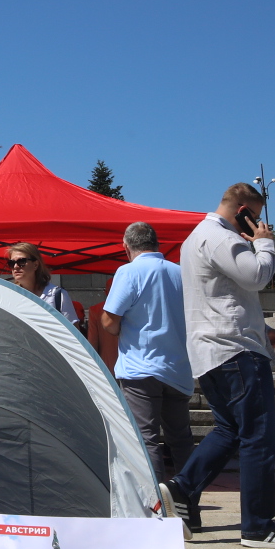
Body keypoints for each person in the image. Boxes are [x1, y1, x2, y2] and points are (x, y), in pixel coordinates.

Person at [162, 184, 275, 549]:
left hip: (211, 351)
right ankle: (257, 526)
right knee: (258, 437)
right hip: (236, 351)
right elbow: (258, 276)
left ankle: (182, 487)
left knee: (229, 429)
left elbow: (222, 297)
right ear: (243, 210)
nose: (257, 223)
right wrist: (265, 242)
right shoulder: (221, 238)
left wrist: (263, 327)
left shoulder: (195, 239)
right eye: (255, 217)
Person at [97, 222, 197, 519]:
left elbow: (108, 319)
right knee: (181, 441)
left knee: (147, 439)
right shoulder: (180, 272)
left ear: (125, 246)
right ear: (158, 243)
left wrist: (119, 328)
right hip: (178, 368)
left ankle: (157, 511)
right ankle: (190, 506)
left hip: (141, 368)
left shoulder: (129, 272)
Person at [5, 243, 84, 330]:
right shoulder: (9, 296)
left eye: (21, 262)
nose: (16, 267)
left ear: (35, 265)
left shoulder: (57, 295)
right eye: (11, 263)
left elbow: (73, 334)